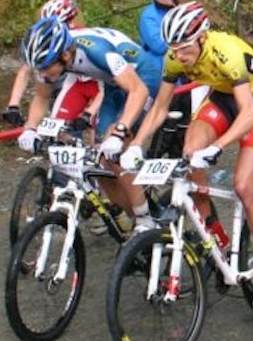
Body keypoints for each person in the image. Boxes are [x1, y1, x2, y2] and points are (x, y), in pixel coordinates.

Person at [123, 2, 253, 309]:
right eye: (174, 49)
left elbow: (248, 114)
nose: (179, 57)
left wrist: (218, 147)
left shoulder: (226, 53)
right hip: (222, 94)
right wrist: (136, 144)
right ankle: (217, 236)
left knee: (243, 185)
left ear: (202, 38)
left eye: (184, 49)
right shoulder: (174, 57)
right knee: (189, 152)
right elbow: (159, 108)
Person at [16, 17, 152, 229]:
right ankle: (133, 218)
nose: (41, 74)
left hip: (143, 76)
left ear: (65, 54)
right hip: (112, 84)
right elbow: (41, 97)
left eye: (44, 67)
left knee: (115, 146)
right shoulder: (56, 60)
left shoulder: (96, 52)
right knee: (99, 160)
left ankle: (146, 219)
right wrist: (30, 129)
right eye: (38, 68)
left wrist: (120, 132)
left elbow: (138, 90)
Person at [2, 0, 82, 127]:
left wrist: (13, 104)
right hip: (66, 70)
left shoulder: (45, 8)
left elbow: (29, 63)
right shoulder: (68, 8)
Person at [137, 0, 181, 98]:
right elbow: (159, 46)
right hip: (155, 74)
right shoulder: (148, 15)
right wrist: (180, 31)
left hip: (176, 74)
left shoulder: (174, 11)